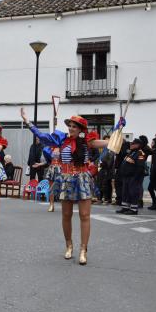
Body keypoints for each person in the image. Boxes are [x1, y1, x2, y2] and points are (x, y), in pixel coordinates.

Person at [21, 108, 109, 265]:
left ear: (81, 129)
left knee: (84, 216)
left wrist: (118, 132)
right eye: (70, 125)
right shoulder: (61, 140)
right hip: (66, 179)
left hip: (82, 178)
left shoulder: (88, 142)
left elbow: (109, 143)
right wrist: (27, 122)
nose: (71, 128)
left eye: (74, 126)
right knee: (66, 215)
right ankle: (69, 246)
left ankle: (83, 249)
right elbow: (42, 136)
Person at [116, 138, 146, 215]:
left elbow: (140, 167)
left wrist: (135, 177)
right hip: (127, 176)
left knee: (133, 193)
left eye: (133, 144)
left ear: (137, 145)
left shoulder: (140, 153)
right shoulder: (131, 152)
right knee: (125, 192)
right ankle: (125, 207)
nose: (131, 145)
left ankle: (134, 209)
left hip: (134, 177)